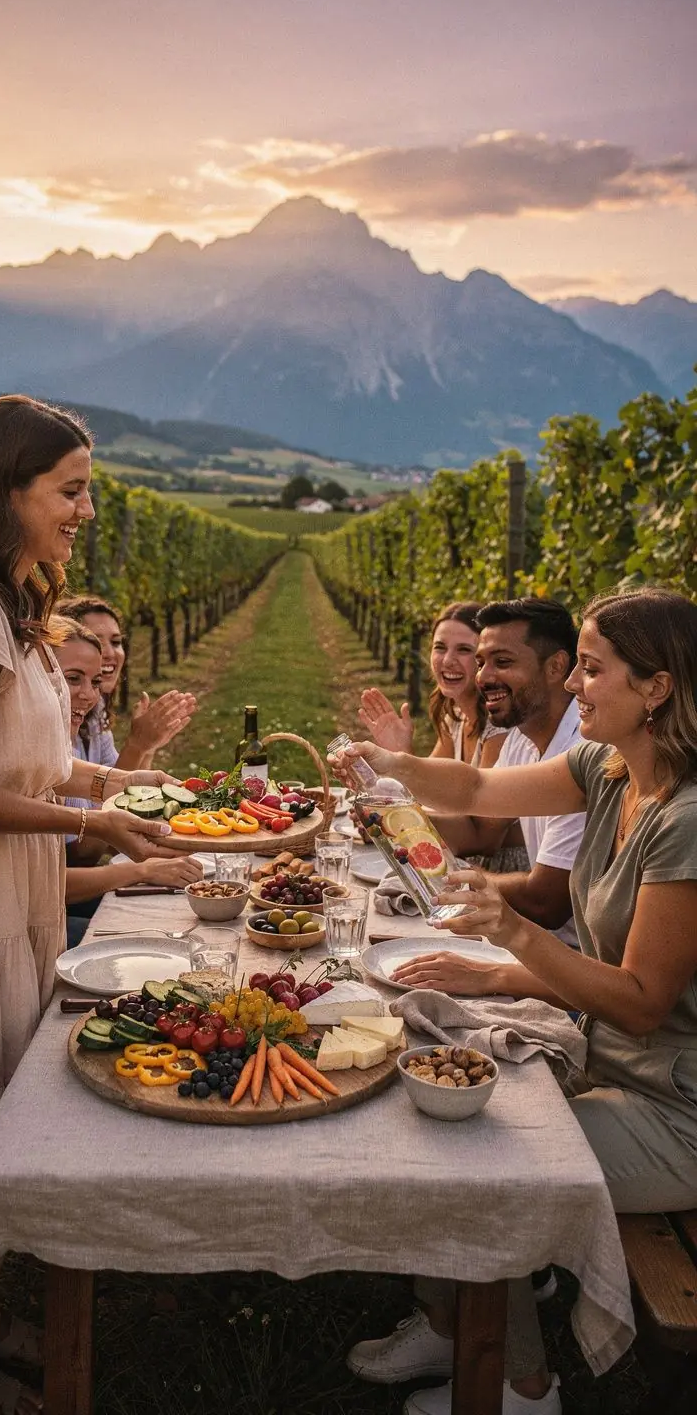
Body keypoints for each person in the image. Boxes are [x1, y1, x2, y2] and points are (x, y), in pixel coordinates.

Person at [0, 395, 187, 1415]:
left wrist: (116, 788)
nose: (87, 511)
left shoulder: (3, 601)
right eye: (70, 490)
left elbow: (33, 761)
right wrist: (95, 829)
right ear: (3, 491)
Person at [336, 585, 697, 1415]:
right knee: (430, 1091)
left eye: (595, 671)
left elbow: (641, 1001)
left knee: (478, 1165)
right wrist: (389, 765)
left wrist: (513, 940)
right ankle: (448, 1317)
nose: (575, 687)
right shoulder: (608, 769)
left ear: (658, 688)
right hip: (615, 1059)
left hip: (674, 1106)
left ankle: (520, 1385)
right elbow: (476, 788)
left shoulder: (685, 820)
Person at [366, 598, 586, 993]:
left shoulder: (582, 751)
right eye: (481, 662)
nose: (483, 676)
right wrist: (392, 800)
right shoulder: (523, 736)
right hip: (528, 942)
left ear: (556, 667)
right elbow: (477, 802)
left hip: (568, 963)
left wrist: (442, 879)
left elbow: (544, 902)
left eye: (501, 662)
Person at [56, 618, 201, 944]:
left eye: (116, 640)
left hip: (51, 902)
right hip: (43, 914)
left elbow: (112, 805)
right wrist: (141, 870)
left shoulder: (91, 723)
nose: (109, 653)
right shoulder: (34, 754)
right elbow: (85, 850)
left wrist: (137, 765)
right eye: (73, 678)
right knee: (156, 933)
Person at [359, 602, 527, 874]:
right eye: (440, 647)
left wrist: (397, 821)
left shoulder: (501, 732)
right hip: (463, 857)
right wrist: (401, 753)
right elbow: (429, 792)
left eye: (464, 650)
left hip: (502, 872)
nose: (448, 660)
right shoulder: (457, 718)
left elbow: (482, 834)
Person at [55, 593, 196, 771]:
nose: (110, 653)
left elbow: (120, 787)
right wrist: (137, 745)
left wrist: (147, 746)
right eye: (96, 642)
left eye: (116, 642)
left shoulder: (96, 712)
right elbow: (106, 791)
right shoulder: (56, 726)